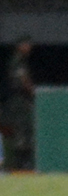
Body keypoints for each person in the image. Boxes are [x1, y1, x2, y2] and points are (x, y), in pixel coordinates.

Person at [2, 37, 36, 173]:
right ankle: (19, 163)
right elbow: (23, 81)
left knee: (25, 130)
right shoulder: (17, 60)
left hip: (20, 99)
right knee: (22, 129)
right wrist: (34, 93)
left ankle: (22, 163)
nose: (29, 48)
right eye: (26, 45)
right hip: (18, 100)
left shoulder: (21, 60)